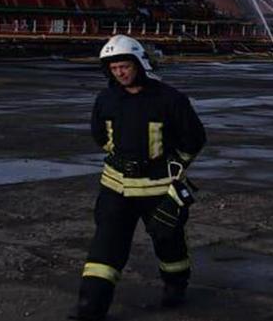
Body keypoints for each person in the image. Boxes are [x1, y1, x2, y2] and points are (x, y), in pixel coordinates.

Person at [72, 35, 207, 321]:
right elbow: (100, 136)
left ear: (139, 64)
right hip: (116, 188)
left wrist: (172, 166)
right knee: (105, 248)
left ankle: (175, 285)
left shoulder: (170, 99)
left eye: (124, 66)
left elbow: (194, 139)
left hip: (159, 190)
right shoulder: (106, 99)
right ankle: (90, 308)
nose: (120, 73)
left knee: (168, 241)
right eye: (114, 68)